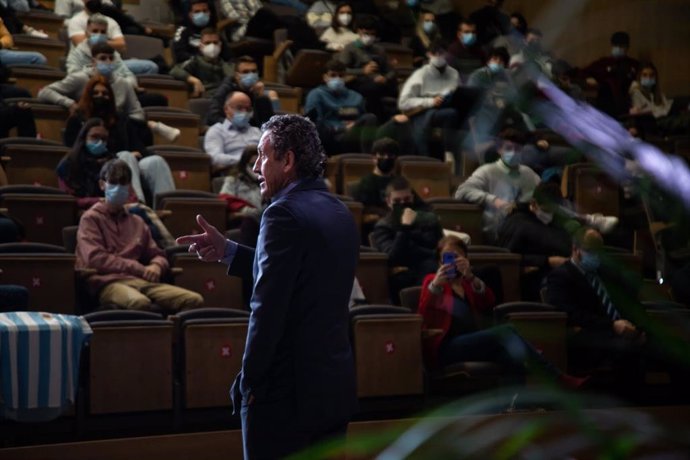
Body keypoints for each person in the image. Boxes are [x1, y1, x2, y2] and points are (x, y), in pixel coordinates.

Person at [176, 114, 359, 459]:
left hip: (285, 394)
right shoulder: (338, 211)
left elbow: (268, 308)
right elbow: (304, 275)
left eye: (262, 155)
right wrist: (229, 251)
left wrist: (249, 381)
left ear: (287, 160)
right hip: (332, 387)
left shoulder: (282, 214)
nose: (257, 166)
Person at [419, 234, 587, 388]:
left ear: (466, 259)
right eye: (447, 258)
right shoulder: (432, 282)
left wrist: (471, 277)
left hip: (472, 342)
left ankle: (514, 406)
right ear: (440, 263)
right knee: (506, 331)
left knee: (512, 355)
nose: (452, 262)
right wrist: (436, 285)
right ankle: (556, 377)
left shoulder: (467, 283)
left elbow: (489, 302)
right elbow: (423, 313)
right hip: (446, 348)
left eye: (457, 257)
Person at [76, 158, 203, 312]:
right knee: (139, 303)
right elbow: (95, 259)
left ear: (130, 188)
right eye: (113, 183)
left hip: (141, 281)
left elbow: (157, 254)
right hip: (107, 283)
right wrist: (138, 268)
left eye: (123, 184)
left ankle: (169, 335)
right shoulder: (91, 218)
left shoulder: (137, 221)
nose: (118, 188)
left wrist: (157, 265)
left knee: (193, 300)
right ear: (102, 185)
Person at [57, 117, 175, 209]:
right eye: (95, 137)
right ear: (84, 138)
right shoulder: (68, 164)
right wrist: (98, 201)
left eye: (104, 139)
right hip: (87, 211)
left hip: (116, 210)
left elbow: (131, 195)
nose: (100, 142)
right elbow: (69, 200)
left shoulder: (113, 163)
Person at [454, 128, 540, 242]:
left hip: (527, 225)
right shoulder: (487, 171)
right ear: (499, 150)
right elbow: (462, 191)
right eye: (508, 149)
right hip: (500, 229)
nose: (513, 153)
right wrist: (494, 200)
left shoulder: (529, 173)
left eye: (518, 149)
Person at [371, 176, 443, 303]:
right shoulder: (383, 226)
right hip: (405, 274)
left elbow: (436, 244)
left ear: (413, 198)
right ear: (388, 202)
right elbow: (394, 257)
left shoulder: (425, 219)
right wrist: (405, 228)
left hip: (430, 266)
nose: (403, 204)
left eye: (407, 199)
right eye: (397, 201)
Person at [496, 182, 572, 300]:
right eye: (546, 210)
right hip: (531, 280)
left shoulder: (558, 222)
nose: (549, 215)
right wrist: (547, 261)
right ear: (533, 204)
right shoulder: (517, 223)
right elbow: (507, 259)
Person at [398, 39, 460, 160]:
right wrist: (430, 101)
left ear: (447, 54)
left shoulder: (453, 74)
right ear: (428, 55)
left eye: (441, 53)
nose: (438, 56)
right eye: (434, 53)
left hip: (448, 107)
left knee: (458, 112)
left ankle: (456, 158)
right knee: (451, 114)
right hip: (425, 112)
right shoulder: (421, 74)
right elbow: (403, 103)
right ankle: (442, 155)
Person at [304, 59, 377, 155]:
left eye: (341, 76)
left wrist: (353, 125)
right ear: (325, 77)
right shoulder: (316, 94)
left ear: (346, 77)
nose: (337, 79)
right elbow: (314, 124)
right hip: (331, 138)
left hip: (352, 136)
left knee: (371, 118)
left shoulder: (356, 96)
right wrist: (341, 129)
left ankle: (367, 159)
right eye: (333, 75)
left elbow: (362, 119)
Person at [336, 14, 397, 120]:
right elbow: (342, 70)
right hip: (358, 82)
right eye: (366, 33)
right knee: (373, 90)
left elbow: (390, 70)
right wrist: (362, 71)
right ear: (359, 31)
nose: (369, 37)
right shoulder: (350, 48)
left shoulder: (379, 50)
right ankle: (377, 119)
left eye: (372, 34)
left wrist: (385, 78)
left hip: (380, 83)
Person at [580, 31, 640, 117]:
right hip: (606, 102)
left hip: (627, 102)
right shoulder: (603, 63)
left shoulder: (633, 64)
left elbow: (643, 76)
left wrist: (637, 83)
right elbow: (583, 72)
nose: (619, 48)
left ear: (627, 47)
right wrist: (588, 78)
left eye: (622, 46)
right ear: (612, 46)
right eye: (616, 45)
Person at [206, 55, 277, 126]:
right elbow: (212, 117)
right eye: (245, 72)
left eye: (254, 71)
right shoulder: (225, 89)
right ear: (236, 75)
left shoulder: (257, 91)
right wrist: (235, 126)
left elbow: (267, 124)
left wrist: (260, 97)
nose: (251, 75)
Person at [204, 91, 262, 173]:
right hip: (234, 173)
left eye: (248, 109)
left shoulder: (256, 131)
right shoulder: (216, 131)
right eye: (239, 108)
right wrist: (245, 160)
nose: (244, 112)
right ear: (226, 109)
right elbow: (215, 157)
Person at [629, 62, 689, 137]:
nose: (648, 78)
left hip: (665, 115)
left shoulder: (656, 92)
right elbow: (639, 113)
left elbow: (666, 104)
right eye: (645, 75)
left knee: (681, 101)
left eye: (651, 75)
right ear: (639, 76)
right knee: (684, 121)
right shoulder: (636, 92)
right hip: (656, 121)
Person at [170, 27, 234, 98]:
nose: (212, 46)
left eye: (215, 42)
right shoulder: (195, 61)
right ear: (200, 46)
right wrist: (195, 81)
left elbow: (232, 78)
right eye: (207, 43)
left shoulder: (226, 64)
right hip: (204, 97)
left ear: (220, 45)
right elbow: (175, 70)